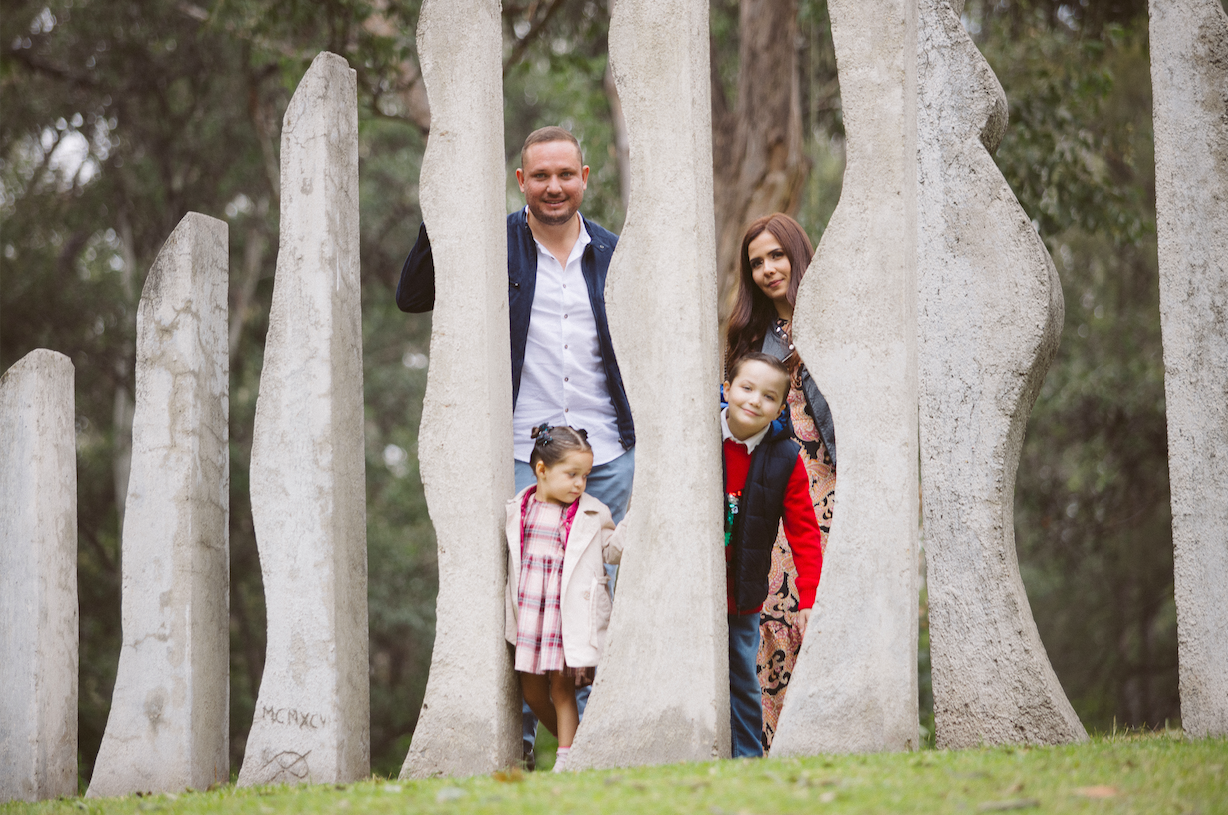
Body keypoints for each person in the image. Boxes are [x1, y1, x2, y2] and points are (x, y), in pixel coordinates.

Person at [397, 126, 634, 766]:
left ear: (585, 176)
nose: (553, 187)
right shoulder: (492, 244)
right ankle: (520, 745)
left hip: (607, 455)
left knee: (603, 601)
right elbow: (412, 296)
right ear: (521, 180)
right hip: (517, 459)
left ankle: (596, 746)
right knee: (519, 601)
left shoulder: (615, 252)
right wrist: (440, 211)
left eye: (565, 174)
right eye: (539, 176)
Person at [724, 213, 838, 752]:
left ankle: (826, 730)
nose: (769, 269)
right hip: (770, 490)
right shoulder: (751, 336)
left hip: (830, 487)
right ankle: (770, 741)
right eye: (757, 262)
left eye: (777, 255)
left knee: (822, 606)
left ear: (798, 253)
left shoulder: (836, 322)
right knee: (770, 611)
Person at [721, 352, 824, 759]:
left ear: (781, 408)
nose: (754, 400)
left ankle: (746, 760)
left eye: (768, 396)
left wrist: (810, 598)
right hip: (691, 590)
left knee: (743, 679)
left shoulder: (785, 458)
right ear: (727, 388)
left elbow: (804, 532)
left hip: (743, 595)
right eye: (746, 388)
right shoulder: (698, 437)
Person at [505, 424, 623, 773]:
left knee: (561, 689)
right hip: (529, 613)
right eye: (572, 475)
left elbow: (611, 550)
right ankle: (584, 747)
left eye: (584, 476)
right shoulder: (518, 508)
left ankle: (566, 758)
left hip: (564, 616)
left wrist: (634, 525)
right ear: (541, 470)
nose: (579, 484)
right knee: (531, 691)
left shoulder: (591, 512)